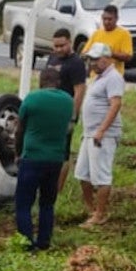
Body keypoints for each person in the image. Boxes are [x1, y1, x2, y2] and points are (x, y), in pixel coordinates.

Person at [13, 67, 74, 251]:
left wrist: (17, 153)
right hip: (55, 159)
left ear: (41, 82)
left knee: (23, 203)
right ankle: (44, 242)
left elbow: (19, 130)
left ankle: (27, 244)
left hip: (32, 157)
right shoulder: (68, 101)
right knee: (47, 203)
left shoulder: (32, 99)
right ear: (58, 83)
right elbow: (68, 128)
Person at [74, 42, 124, 228]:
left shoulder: (113, 78)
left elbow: (115, 104)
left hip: (103, 134)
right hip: (90, 133)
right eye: (90, 59)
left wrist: (102, 130)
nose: (92, 63)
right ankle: (93, 209)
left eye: (96, 59)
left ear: (107, 58)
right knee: (82, 174)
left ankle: (100, 213)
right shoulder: (98, 77)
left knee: (101, 175)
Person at [44, 28, 87, 191]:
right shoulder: (53, 57)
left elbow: (80, 90)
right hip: (49, 112)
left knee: (63, 151)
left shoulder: (76, 63)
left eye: (62, 45)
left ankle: (58, 189)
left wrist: (72, 116)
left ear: (69, 42)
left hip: (64, 113)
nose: (58, 49)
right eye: (55, 46)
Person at [82, 5, 134, 78]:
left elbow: (128, 57)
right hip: (95, 77)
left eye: (110, 19)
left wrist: (110, 53)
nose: (106, 22)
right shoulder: (96, 33)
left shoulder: (124, 34)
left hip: (114, 77)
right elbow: (85, 53)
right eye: (104, 19)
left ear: (116, 19)